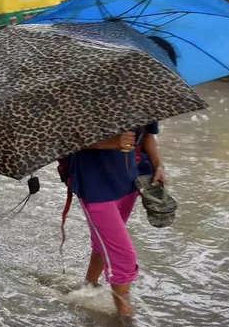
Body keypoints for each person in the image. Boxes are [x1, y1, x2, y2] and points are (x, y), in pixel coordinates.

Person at [66, 122, 166, 316]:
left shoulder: (143, 97)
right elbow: (62, 139)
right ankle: (125, 321)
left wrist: (158, 165)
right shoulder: (79, 103)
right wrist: (107, 142)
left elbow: (147, 136)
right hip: (94, 186)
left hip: (129, 182)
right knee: (124, 258)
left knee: (104, 242)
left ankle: (88, 287)